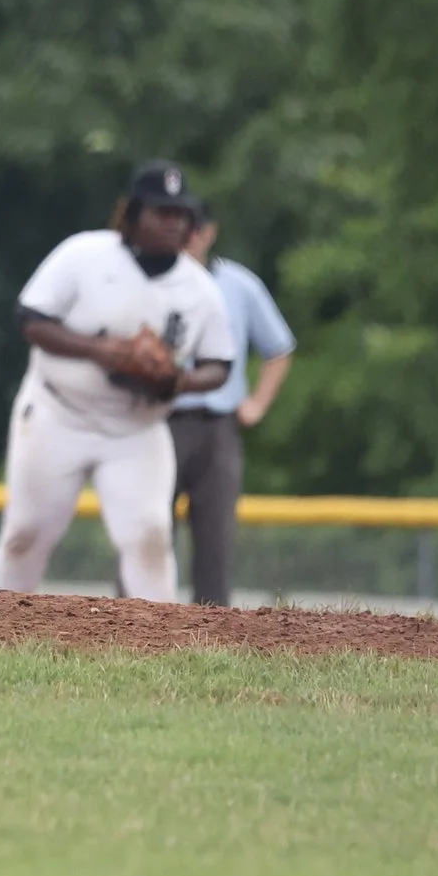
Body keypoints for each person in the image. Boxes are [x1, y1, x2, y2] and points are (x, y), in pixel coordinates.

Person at [0, 164, 232, 605]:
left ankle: (158, 644)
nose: (174, 222)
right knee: (26, 534)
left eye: (181, 214)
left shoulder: (200, 289)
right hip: (58, 414)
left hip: (135, 430)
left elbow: (220, 366)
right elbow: (31, 319)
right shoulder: (84, 255)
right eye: (161, 212)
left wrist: (179, 380)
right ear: (133, 214)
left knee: (150, 537)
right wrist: (99, 350)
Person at [167, 207, 298, 606]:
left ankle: (211, 633)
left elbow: (279, 347)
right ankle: (130, 627)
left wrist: (257, 403)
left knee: (216, 535)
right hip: (160, 419)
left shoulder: (237, 284)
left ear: (209, 232)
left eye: (196, 228)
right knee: (146, 532)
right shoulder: (153, 282)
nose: (190, 236)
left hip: (219, 422)